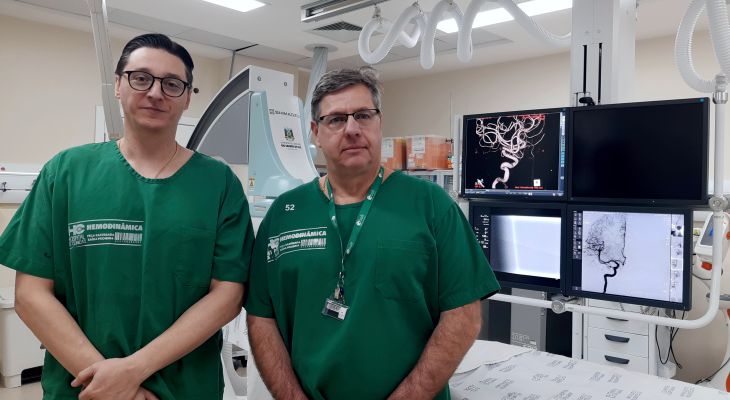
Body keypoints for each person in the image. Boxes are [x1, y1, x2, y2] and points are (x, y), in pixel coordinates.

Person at [0, 33, 254, 399]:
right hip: (85, 387)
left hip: (183, 388)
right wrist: (110, 385)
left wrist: (134, 370)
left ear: (186, 98)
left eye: (172, 84)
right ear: (118, 85)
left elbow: (228, 294)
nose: (156, 93)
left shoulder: (218, 183)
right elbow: (31, 293)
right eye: (141, 78)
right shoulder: (66, 172)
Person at [245, 67, 500, 399]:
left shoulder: (431, 205)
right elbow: (261, 317)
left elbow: (463, 316)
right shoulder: (284, 213)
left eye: (363, 115)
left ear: (379, 123)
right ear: (315, 132)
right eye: (336, 119)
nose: (352, 129)